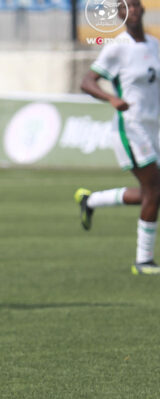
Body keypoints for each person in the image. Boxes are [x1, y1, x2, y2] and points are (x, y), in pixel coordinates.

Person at [76, 0, 160, 275]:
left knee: (154, 193)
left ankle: (91, 201)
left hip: (154, 127)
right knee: (154, 190)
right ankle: (143, 261)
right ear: (119, 15)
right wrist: (111, 98)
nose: (131, 11)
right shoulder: (117, 47)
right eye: (125, 8)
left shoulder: (154, 45)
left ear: (142, 10)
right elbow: (87, 82)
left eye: (135, 6)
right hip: (131, 127)